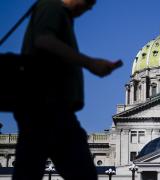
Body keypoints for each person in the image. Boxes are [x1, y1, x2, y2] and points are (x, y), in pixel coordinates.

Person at [13, 0, 122, 179]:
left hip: (49, 109)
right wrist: (90, 63)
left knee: (28, 172)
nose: (90, 7)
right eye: (89, 1)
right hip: (47, 108)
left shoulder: (58, 12)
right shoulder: (52, 6)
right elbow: (43, 40)